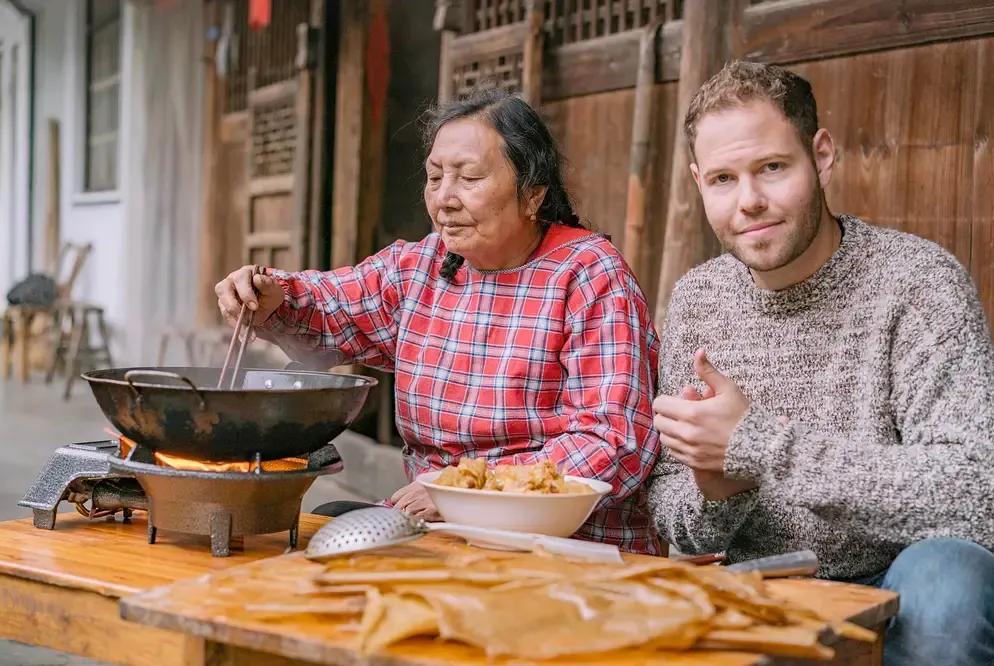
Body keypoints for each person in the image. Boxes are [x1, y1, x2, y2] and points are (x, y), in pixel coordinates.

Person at [646, 60, 994, 666]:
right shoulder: (698, 300)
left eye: (772, 168)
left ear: (820, 154)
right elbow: (670, 505)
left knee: (954, 578)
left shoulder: (915, 283)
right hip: (760, 591)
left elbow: (989, 495)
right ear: (697, 183)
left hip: (903, 592)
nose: (749, 202)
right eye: (723, 180)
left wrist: (762, 447)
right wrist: (715, 494)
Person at [216, 88, 662, 555]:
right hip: (439, 527)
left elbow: (612, 441)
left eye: (468, 177)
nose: (444, 199)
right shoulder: (424, 266)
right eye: (434, 178)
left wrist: (463, 492)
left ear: (533, 194)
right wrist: (273, 293)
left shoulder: (589, 273)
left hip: (562, 544)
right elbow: (335, 304)